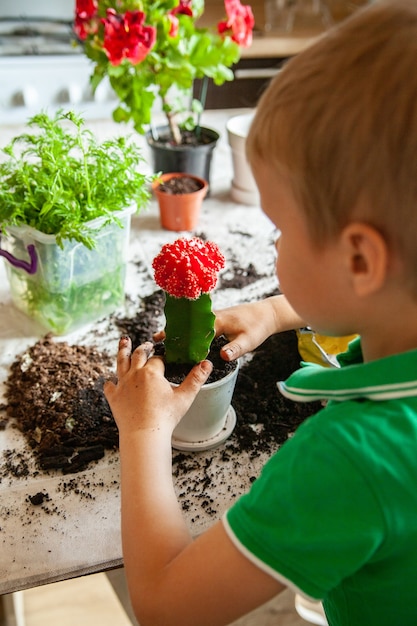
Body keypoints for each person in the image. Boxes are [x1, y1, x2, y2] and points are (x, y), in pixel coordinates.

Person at [103, 1, 417, 624]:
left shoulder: (352, 458)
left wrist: (143, 432)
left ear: (360, 259)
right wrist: (278, 311)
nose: (272, 245)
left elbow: (166, 605)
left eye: (279, 228)